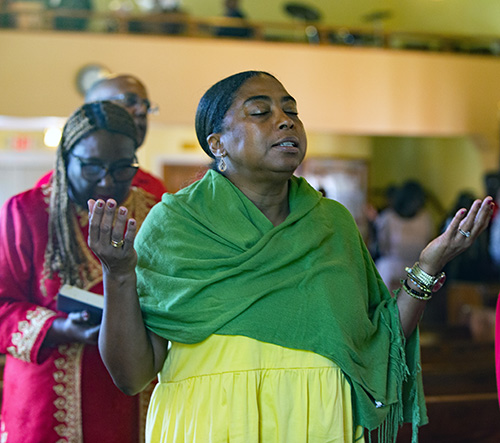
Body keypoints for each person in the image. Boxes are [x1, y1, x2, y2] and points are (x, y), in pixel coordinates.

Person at [87, 71, 494, 442]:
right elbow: (132, 375)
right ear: (217, 143)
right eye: (260, 112)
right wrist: (118, 274)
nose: (286, 121)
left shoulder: (331, 223)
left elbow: (379, 342)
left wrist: (428, 266)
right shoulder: (174, 224)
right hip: (212, 423)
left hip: (320, 424)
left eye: (291, 111)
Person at [0, 101, 160, 442]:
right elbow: (2, 305)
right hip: (48, 397)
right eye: (91, 167)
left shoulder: (156, 213)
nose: (106, 181)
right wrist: (59, 326)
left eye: (121, 168)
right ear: (65, 160)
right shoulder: (26, 213)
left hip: (136, 389)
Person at [36, 74, 168, 201]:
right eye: (129, 101)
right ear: (94, 107)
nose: (141, 110)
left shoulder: (153, 188)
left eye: (146, 104)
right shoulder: (51, 188)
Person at [374, 180, 435, 293]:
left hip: (408, 268)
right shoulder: (388, 218)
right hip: (404, 268)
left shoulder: (425, 218)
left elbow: (383, 247)